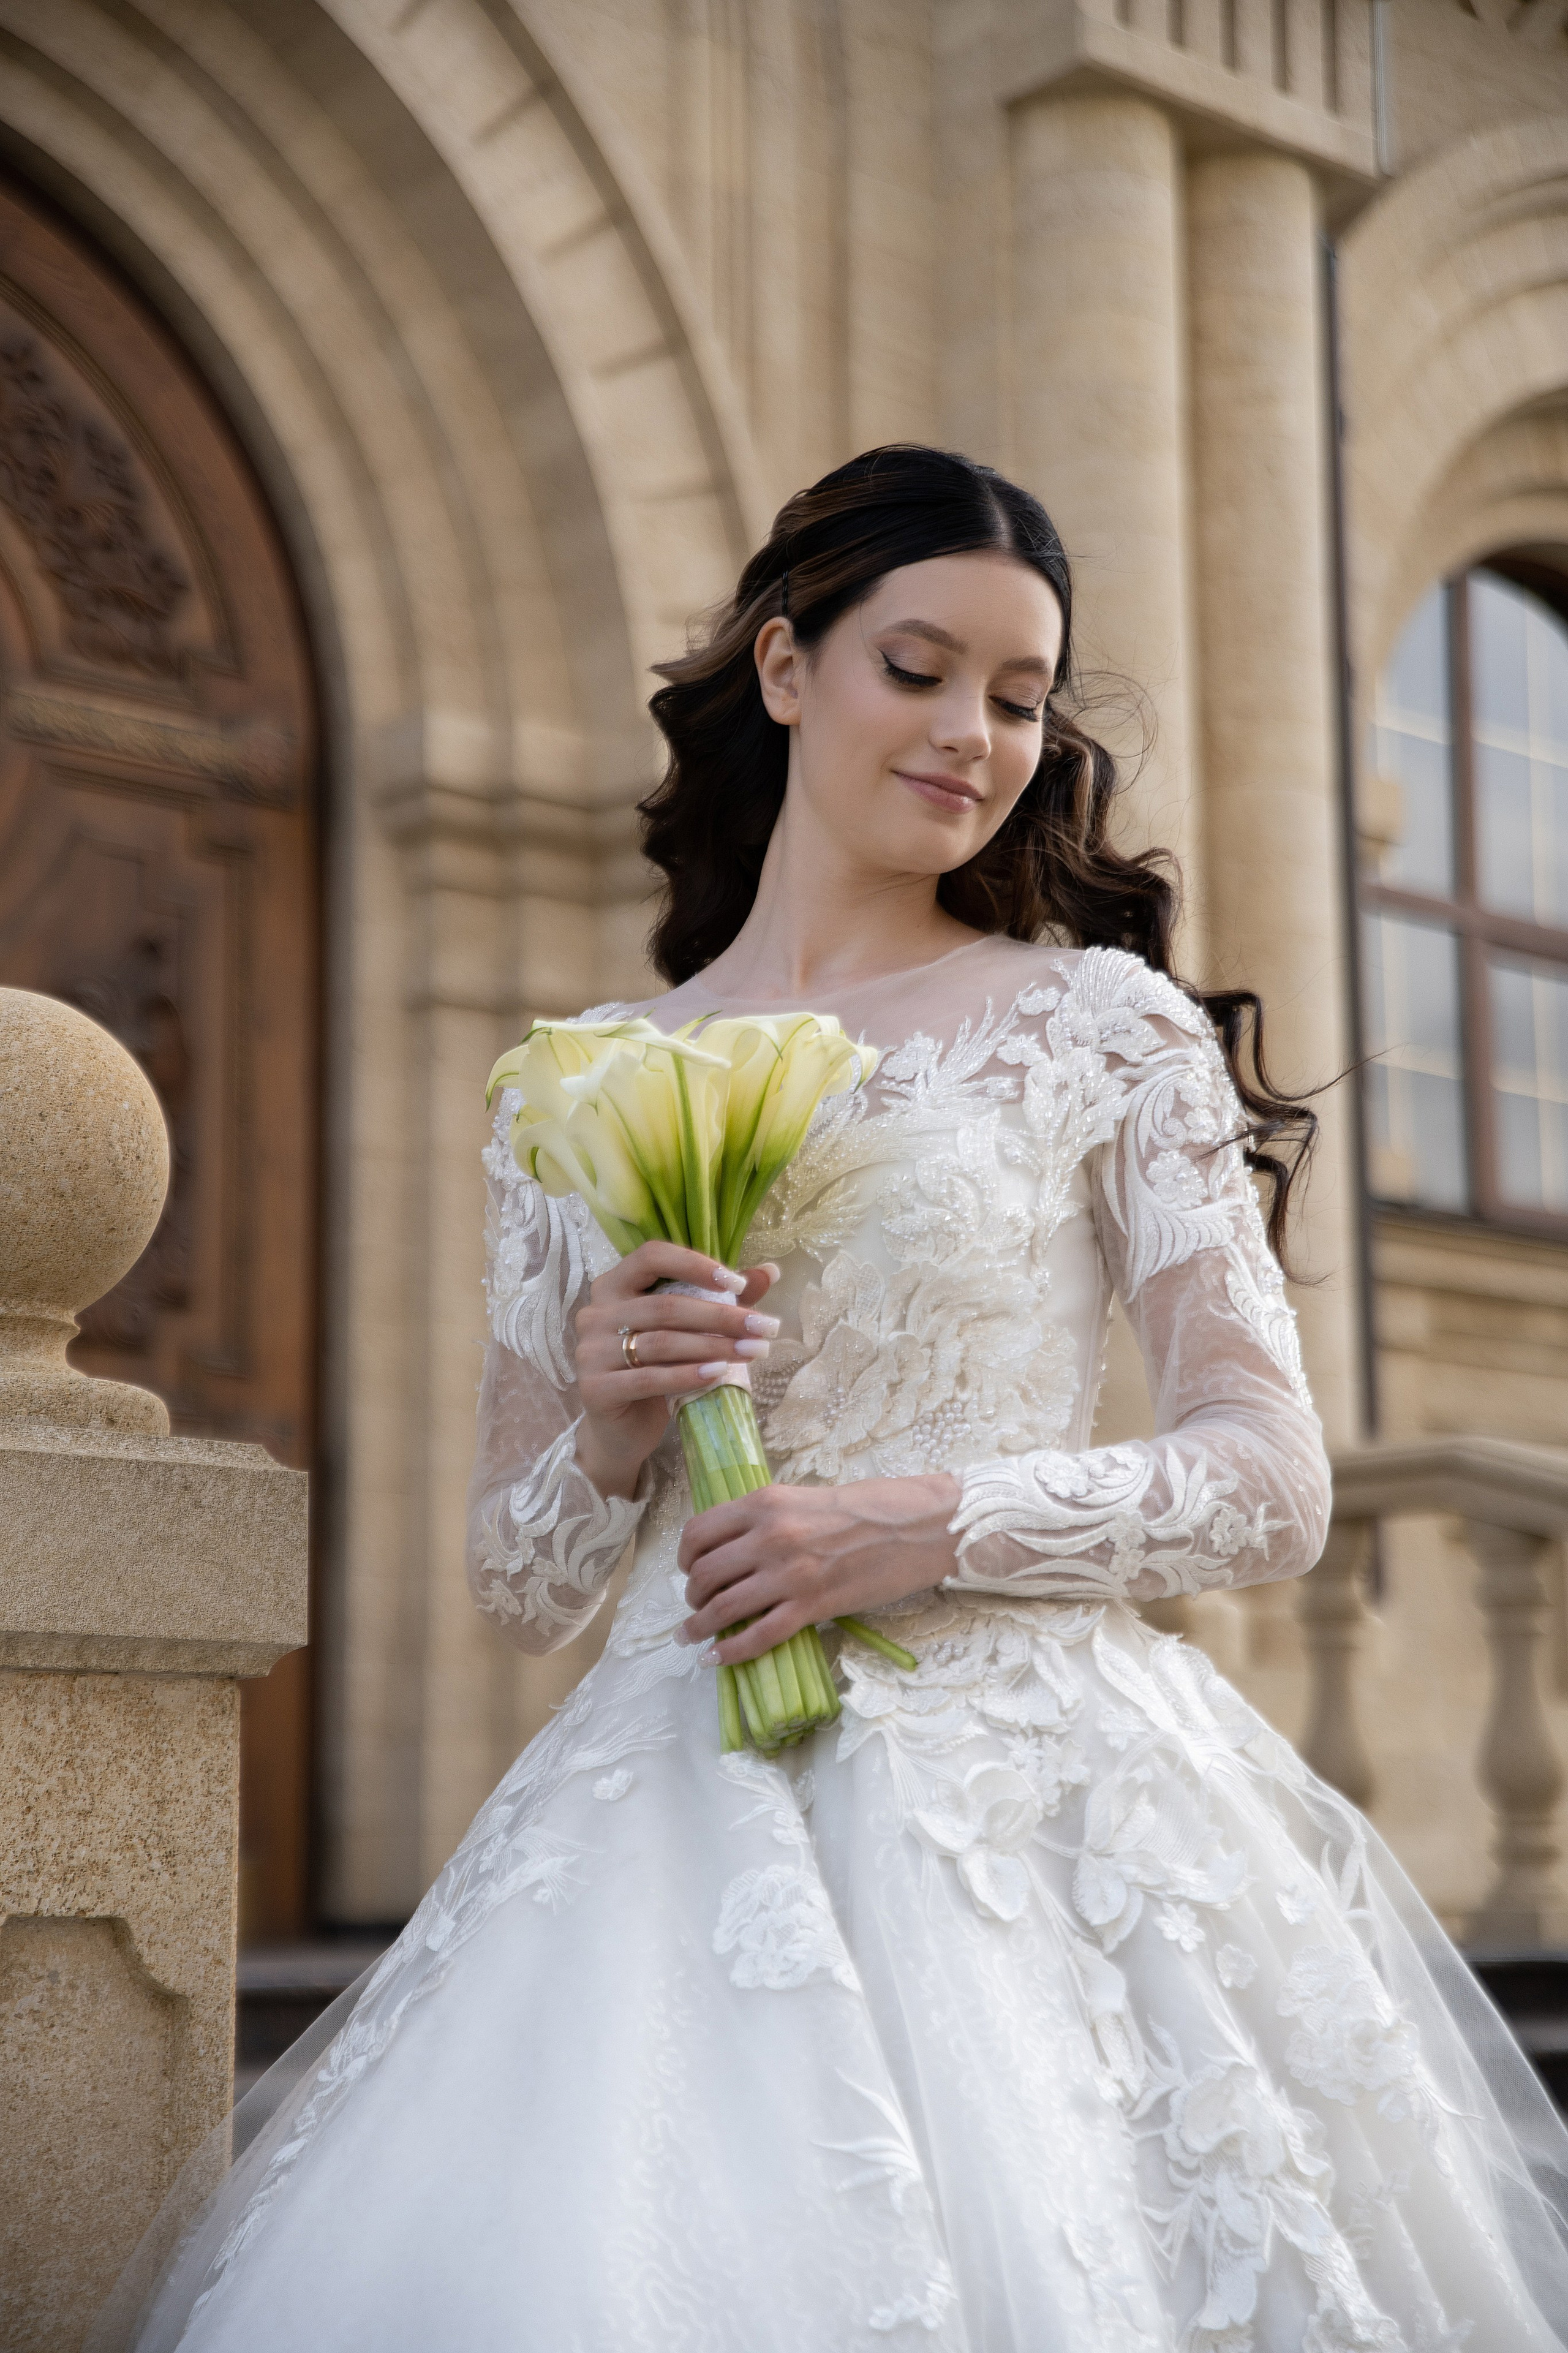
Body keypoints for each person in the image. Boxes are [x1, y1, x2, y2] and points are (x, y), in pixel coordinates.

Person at [102, 446, 1568, 2350]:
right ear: (787, 666)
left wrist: (917, 1523)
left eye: (1021, 697)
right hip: (664, 1816)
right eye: (921, 667)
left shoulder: (1101, 1024)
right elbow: (522, 1581)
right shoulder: (586, 1081)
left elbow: (1271, 1478)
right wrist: (614, 1422)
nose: (976, 735)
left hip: (1036, 1809)